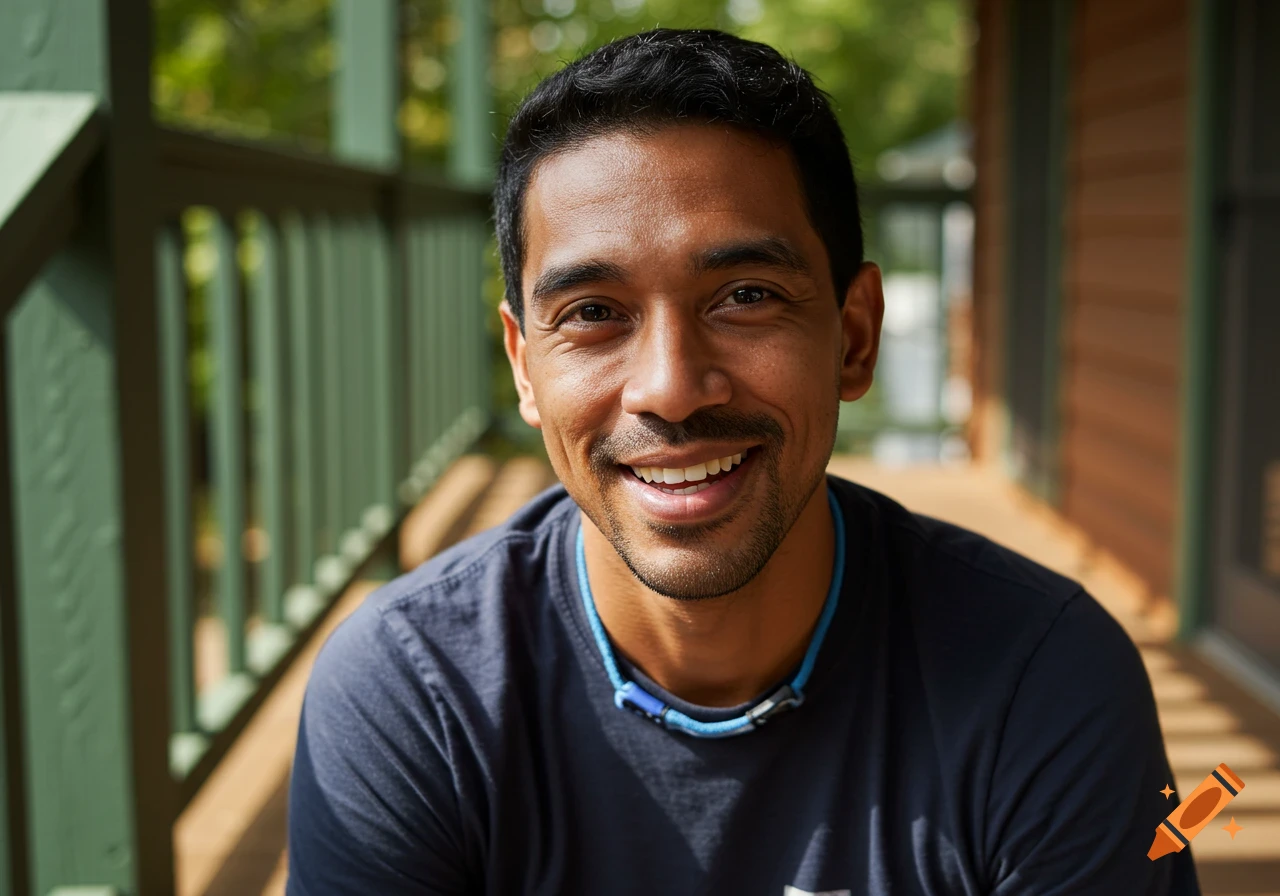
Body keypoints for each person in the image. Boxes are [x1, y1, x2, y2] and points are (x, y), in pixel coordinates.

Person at [287, 28, 1199, 895]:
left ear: (853, 337)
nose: (672, 388)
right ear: (526, 369)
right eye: (594, 313)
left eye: (746, 296)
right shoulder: (412, 693)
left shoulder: (1046, 680)